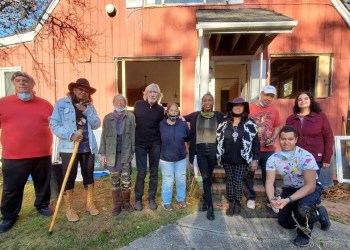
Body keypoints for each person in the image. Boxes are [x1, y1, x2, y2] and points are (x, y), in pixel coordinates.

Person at [0, 71, 53, 233]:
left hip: (43, 153)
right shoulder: (3, 103)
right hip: (14, 156)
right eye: (18, 80)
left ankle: (42, 205)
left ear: (33, 84)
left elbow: (56, 124)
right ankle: (9, 216)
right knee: (12, 188)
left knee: (43, 183)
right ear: (14, 84)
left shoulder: (45, 104)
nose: (22, 83)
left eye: (26, 80)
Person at [265, 125, 331, 247]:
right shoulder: (273, 158)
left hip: (309, 189)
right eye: (283, 139)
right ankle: (315, 215)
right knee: (285, 223)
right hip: (289, 189)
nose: (286, 142)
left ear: (296, 140)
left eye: (290, 139)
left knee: (303, 209)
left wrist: (288, 200)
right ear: (279, 139)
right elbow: (269, 182)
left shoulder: (306, 157)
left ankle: (304, 234)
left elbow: (310, 186)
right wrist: (272, 199)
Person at [50, 78, 101, 222]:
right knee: (69, 176)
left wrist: (87, 111)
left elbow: (97, 124)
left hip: (87, 147)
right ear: (73, 89)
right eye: (80, 89)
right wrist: (70, 135)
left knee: (89, 174)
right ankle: (69, 208)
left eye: (86, 91)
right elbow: (54, 124)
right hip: (69, 148)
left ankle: (89, 204)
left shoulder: (89, 106)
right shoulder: (62, 104)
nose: (83, 92)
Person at [184, 92, 224, 220]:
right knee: (206, 177)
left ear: (213, 102)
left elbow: (232, 121)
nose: (207, 102)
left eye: (210, 100)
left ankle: (206, 201)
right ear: (202, 102)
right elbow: (180, 117)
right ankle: (210, 207)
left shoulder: (219, 115)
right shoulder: (195, 115)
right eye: (205, 100)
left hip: (213, 150)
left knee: (208, 177)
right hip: (200, 151)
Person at [216, 97, 259, 216]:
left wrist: (255, 159)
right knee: (230, 180)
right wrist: (218, 155)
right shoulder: (224, 123)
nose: (238, 107)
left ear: (244, 108)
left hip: (242, 158)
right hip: (227, 157)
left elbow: (255, 142)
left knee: (238, 180)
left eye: (241, 105)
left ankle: (238, 202)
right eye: (235, 105)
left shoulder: (250, 123)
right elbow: (219, 139)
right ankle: (231, 203)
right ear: (231, 108)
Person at [243, 85, 281, 213]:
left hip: (268, 149)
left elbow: (277, 126)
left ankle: (271, 200)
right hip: (252, 149)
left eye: (271, 96)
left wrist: (274, 137)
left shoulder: (275, 110)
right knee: (249, 174)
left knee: (270, 175)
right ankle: (250, 198)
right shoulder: (250, 108)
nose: (268, 98)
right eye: (267, 95)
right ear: (261, 94)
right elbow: (243, 125)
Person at [286, 91, 334, 185]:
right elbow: (286, 138)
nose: (302, 101)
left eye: (306, 98)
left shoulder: (320, 117)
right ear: (297, 103)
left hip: (315, 157)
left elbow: (328, 137)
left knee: (310, 184)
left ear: (311, 100)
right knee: (295, 183)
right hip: (295, 157)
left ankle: (310, 199)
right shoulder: (291, 119)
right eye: (300, 99)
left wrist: (327, 158)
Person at [99, 94, 135, 216]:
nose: (120, 103)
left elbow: (134, 135)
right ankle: (117, 205)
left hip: (125, 153)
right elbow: (103, 136)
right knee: (114, 180)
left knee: (126, 181)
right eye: (117, 101)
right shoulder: (107, 118)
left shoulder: (130, 117)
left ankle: (126, 203)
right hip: (111, 153)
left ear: (125, 103)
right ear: (113, 103)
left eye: (122, 101)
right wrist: (103, 153)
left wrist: (133, 150)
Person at [134, 83, 165, 211]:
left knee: (154, 172)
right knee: (141, 172)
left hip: (155, 144)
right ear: (146, 94)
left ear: (158, 95)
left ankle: (151, 198)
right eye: (150, 92)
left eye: (155, 92)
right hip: (140, 143)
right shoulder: (138, 105)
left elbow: (165, 125)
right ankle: (138, 199)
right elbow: (131, 122)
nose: (152, 94)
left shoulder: (160, 110)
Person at [159, 103, 189, 211]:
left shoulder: (183, 124)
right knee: (168, 180)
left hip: (180, 157)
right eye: (171, 110)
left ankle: (181, 199)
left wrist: (188, 149)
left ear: (178, 112)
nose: (173, 112)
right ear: (167, 112)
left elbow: (188, 138)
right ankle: (166, 201)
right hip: (166, 158)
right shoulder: (161, 124)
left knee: (181, 178)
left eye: (175, 110)